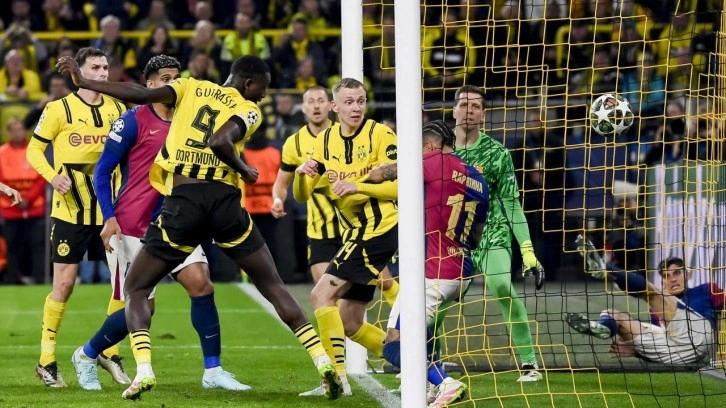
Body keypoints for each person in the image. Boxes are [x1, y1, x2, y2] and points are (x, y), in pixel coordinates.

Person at [56, 54, 342, 401]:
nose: (263, 96)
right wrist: (243, 169)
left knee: (149, 288)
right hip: (206, 208)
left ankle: (162, 370)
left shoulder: (189, 89)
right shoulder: (245, 110)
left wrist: (84, 82)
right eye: (263, 89)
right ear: (249, 84)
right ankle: (322, 361)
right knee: (270, 283)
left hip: (182, 207)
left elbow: (140, 94)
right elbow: (219, 141)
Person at [70, 55, 247, 392]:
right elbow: (103, 171)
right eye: (165, 78)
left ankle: (213, 372)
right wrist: (108, 217)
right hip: (131, 225)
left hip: (176, 221)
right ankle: (87, 355)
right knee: (143, 306)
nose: (173, 83)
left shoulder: (190, 119)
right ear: (149, 85)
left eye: (176, 77)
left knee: (201, 285)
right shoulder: (132, 121)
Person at [274, 85, 399, 397]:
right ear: (335, 107)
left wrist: (359, 187)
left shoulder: (381, 134)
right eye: (349, 102)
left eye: (361, 101)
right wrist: (302, 174)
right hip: (354, 233)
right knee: (351, 322)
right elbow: (301, 196)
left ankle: (337, 380)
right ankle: (429, 370)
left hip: (378, 229)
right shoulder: (324, 141)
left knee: (320, 295)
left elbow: (401, 186)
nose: (356, 108)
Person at [368, 120, 489, 408]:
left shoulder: (432, 161)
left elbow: (381, 174)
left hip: (434, 271)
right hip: (462, 270)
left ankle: (445, 383)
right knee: (422, 332)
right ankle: (431, 387)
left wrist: (372, 172)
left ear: (429, 146)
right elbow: (477, 232)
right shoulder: (478, 178)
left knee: (394, 343)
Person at [28, 47, 127, 388]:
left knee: (121, 284)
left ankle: (110, 352)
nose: (103, 73)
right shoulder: (58, 109)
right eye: (95, 68)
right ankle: (46, 361)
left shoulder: (118, 108)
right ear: (80, 72)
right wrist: (52, 177)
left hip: (110, 213)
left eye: (105, 67)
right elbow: (34, 149)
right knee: (65, 284)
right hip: (70, 211)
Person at [452, 85, 545, 382]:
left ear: (483, 114)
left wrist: (527, 251)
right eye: (463, 104)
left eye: (475, 106)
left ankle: (529, 363)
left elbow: (512, 205)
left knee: (502, 286)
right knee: (436, 300)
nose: (468, 110)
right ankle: (428, 364)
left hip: (491, 233)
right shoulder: (438, 150)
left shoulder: (498, 153)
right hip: (452, 237)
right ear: (453, 111)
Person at [567, 236, 721, 365]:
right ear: (663, 281)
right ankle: (601, 327)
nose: (672, 279)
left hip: (699, 336)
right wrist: (637, 351)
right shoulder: (656, 310)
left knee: (652, 294)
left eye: (677, 273)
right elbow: (659, 340)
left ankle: (605, 269)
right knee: (612, 314)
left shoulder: (707, 289)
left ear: (687, 274)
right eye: (666, 276)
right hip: (677, 353)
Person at [0, 119, 45, 285]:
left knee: (38, 245)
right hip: (11, 209)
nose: (18, 133)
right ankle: (11, 279)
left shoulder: (34, 151)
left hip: (34, 207)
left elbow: (42, 176)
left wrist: (28, 198)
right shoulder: (2, 153)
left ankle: (40, 279)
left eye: (20, 129)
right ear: (8, 133)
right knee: (12, 246)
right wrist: (15, 198)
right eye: (14, 130)